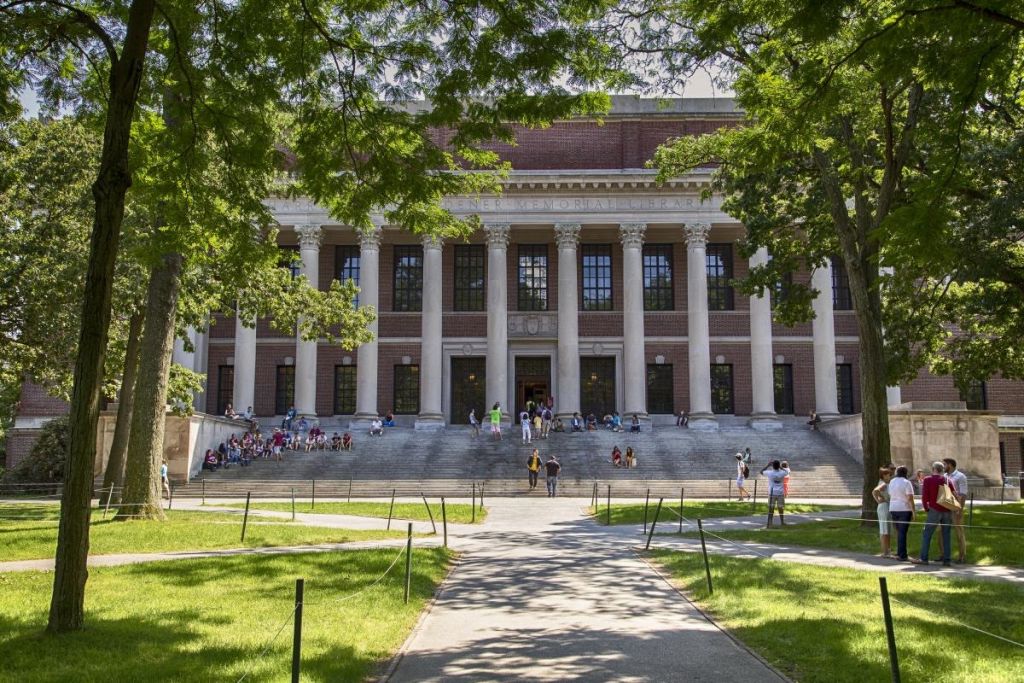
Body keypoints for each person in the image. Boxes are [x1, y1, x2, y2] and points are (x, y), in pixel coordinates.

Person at [913, 461, 956, 566]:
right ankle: (947, 560)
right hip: (947, 510)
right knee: (946, 535)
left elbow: (925, 496)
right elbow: (954, 494)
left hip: (934, 510)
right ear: (942, 470)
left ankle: (924, 558)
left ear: (933, 469)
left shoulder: (928, 480)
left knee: (927, 534)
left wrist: (926, 508)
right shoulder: (947, 480)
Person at [887, 466, 916, 561]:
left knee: (899, 531)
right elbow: (910, 498)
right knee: (902, 532)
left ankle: (900, 551)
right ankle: (902, 554)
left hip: (893, 508)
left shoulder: (892, 481)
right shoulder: (906, 482)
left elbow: (890, 493)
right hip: (904, 508)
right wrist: (913, 511)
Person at [943, 458, 968, 563]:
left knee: (959, 532)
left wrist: (959, 509)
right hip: (944, 507)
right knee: (941, 532)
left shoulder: (960, 476)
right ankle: (943, 555)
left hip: (956, 508)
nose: (943, 466)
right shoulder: (944, 476)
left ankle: (962, 556)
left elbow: (963, 494)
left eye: (944, 464)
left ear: (950, 465)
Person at [760, 460, 791, 528]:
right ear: (778, 466)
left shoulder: (769, 473)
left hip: (772, 493)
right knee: (781, 508)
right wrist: (780, 467)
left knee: (771, 508)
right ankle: (782, 522)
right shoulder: (782, 472)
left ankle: (770, 523)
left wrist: (768, 465)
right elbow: (787, 471)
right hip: (780, 493)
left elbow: (761, 472)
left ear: (773, 466)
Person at [872, 467, 894, 558]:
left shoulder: (886, 483)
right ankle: (885, 552)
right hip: (884, 507)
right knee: (884, 530)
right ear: (884, 476)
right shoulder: (883, 483)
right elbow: (875, 491)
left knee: (887, 530)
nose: (890, 477)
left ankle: (888, 550)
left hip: (887, 506)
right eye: (888, 475)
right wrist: (878, 500)